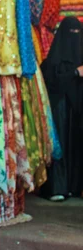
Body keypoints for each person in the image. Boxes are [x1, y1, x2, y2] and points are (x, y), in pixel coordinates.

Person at [40, 17, 83, 201]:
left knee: (76, 146)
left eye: (78, 34)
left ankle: (74, 186)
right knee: (60, 147)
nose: (74, 38)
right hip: (59, 109)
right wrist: (74, 73)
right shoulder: (52, 62)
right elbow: (50, 80)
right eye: (70, 33)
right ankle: (57, 187)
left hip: (77, 111)